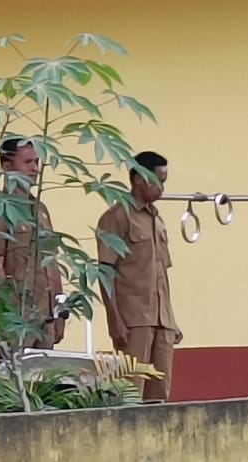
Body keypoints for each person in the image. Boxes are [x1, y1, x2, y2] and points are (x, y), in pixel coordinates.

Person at [96, 151, 182, 401]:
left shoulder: (157, 219)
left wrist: (171, 319)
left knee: (159, 393)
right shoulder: (116, 217)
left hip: (161, 319)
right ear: (137, 179)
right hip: (133, 320)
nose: (161, 189)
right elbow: (105, 273)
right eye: (157, 181)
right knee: (131, 392)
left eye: (164, 182)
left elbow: (161, 276)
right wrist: (115, 321)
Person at [0, 138, 65, 353]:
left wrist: (60, 312)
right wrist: (4, 317)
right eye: (28, 162)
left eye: (37, 162)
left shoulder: (41, 209)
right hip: (17, 318)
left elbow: (52, 266)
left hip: (45, 317)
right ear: (7, 166)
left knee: (44, 383)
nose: (35, 169)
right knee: (14, 383)